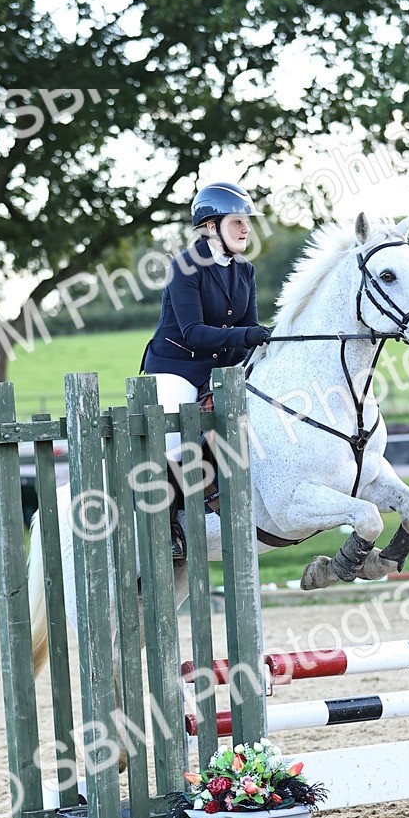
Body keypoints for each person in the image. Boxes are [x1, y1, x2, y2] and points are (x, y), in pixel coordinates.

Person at [141, 181, 272, 561]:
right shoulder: (184, 267)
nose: (246, 229)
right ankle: (165, 527)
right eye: (237, 222)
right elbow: (193, 332)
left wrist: (264, 341)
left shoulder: (244, 271)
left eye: (247, 221)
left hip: (221, 369)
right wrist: (247, 334)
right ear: (211, 226)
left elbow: (247, 335)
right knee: (170, 442)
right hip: (176, 366)